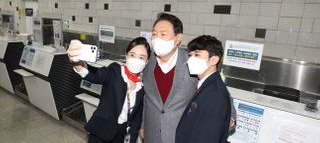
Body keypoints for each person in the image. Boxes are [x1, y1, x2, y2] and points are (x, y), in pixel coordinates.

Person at [67, 37, 151, 143]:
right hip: (101, 131)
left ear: (147, 61)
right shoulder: (115, 71)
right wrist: (78, 64)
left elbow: (137, 117)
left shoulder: (142, 86)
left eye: (141, 57)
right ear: (126, 55)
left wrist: (132, 138)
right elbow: (96, 75)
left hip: (122, 135)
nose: (136, 60)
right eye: (132, 55)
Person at [141, 13, 198, 143]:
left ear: (178, 39)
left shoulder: (192, 63)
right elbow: (147, 98)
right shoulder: (148, 62)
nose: (156, 39)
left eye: (163, 34)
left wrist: (230, 119)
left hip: (180, 134)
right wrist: (143, 125)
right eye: (154, 34)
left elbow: (213, 88)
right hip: (151, 133)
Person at [175, 35, 231, 143]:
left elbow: (206, 137)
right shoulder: (205, 85)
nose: (191, 59)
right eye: (190, 55)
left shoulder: (214, 95)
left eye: (197, 55)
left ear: (213, 60)